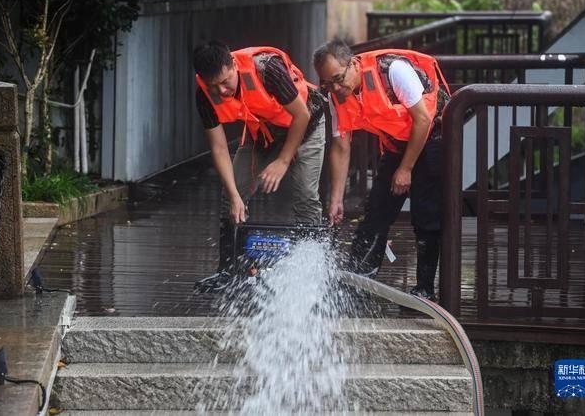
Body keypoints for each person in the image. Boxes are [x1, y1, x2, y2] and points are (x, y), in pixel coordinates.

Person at [312, 39, 450, 300]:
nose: (336, 88)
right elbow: (341, 147)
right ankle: (358, 283)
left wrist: (406, 168)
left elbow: (422, 119)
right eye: (328, 83)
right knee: (375, 212)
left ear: (353, 64)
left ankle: (424, 289)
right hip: (398, 144)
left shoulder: (393, 71)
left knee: (426, 216)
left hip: (432, 138)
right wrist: (337, 199)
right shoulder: (335, 96)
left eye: (339, 79)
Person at [193, 41, 326, 291]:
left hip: (306, 126)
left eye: (225, 82)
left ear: (234, 65)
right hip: (264, 133)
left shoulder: (267, 69)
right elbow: (219, 147)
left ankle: (313, 272)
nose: (221, 91)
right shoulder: (203, 93)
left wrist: (283, 161)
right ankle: (228, 271)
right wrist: (234, 195)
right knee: (231, 195)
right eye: (214, 86)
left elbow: (302, 115)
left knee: (306, 196)